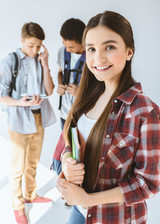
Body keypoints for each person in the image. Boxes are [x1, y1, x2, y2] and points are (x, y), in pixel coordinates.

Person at [56, 11, 160, 224]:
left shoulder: (145, 111)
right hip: (78, 213)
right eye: (92, 49)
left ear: (129, 51)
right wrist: (67, 162)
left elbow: (148, 183)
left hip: (114, 218)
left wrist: (89, 199)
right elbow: (71, 142)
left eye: (109, 47)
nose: (98, 58)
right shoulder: (86, 96)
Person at [0, 22, 56, 224]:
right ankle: (18, 206)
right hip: (18, 119)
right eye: (31, 45)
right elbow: (1, 95)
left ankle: (30, 195)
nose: (35, 50)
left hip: (38, 116)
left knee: (33, 161)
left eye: (39, 46)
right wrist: (20, 102)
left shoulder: (39, 59)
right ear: (22, 40)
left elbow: (50, 92)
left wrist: (45, 63)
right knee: (17, 168)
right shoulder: (10, 61)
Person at [52, 18, 86, 175]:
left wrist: (80, 91)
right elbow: (60, 72)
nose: (67, 49)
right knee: (67, 149)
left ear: (83, 40)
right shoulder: (62, 52)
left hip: (82, 114)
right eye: (65, 45)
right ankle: (64, 179)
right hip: (64, 112)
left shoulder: (93, 58)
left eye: (71, 46)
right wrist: (60, 85)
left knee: (80, 153)